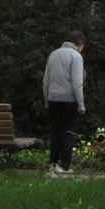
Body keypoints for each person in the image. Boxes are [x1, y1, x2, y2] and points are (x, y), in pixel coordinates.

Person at [42, 30, 85, 176]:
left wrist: (46, 98)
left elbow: (46, 80)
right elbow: (77, 83)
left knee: (55, 132)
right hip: (69, 100)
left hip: (53, 98)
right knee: (68, 132)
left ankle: (52, 163)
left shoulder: (53, 54)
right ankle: (64, 164)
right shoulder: (76, 56)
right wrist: (81, 104)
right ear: (80, 45)